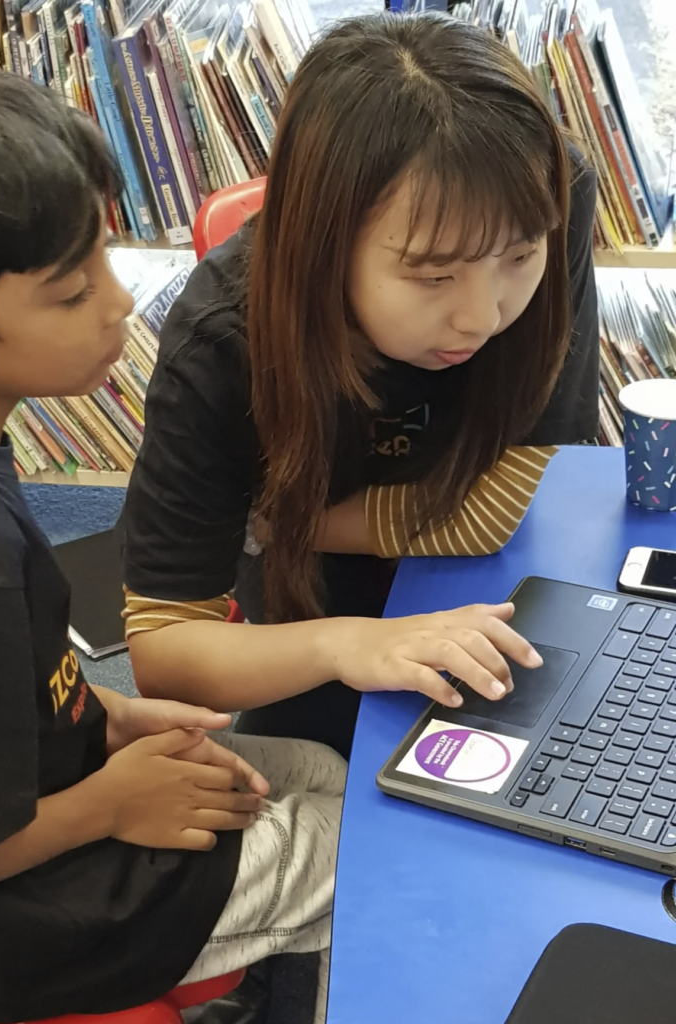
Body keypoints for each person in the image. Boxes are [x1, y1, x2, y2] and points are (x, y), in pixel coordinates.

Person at [0, 62, 344, 1024]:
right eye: (69, 292)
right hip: (23, 924)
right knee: (381, 855)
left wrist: (104, 715)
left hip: (50, 804)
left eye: (102, 256)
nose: (118, 303)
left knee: (335, 778)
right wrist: (111, 804)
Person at [121, 11, 599, 759]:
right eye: (433, 274)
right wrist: (343, 641)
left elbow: (531, 487)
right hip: (312, 609)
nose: (482, 317)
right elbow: (165, 650)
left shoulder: (542, 186)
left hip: (479, 574)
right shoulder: (221, 342)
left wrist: (286, 521)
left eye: (520, 257)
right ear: (325, 243)